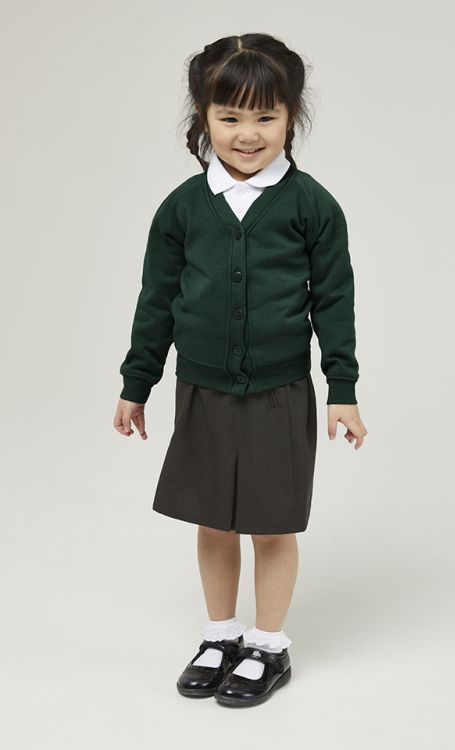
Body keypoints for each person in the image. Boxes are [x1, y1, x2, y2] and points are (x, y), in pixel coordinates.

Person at [113, 32, 368, 708]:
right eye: (229, 117)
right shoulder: (182, 207)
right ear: (203, 118)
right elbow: (156, 299)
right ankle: (220, 633)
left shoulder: (312, 206)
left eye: (265, 116)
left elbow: (334, 300)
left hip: (280, 391)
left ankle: (268, 644)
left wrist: (342, 389)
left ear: (291, 117)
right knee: (213, 520)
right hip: (201, 389)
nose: (247, 134)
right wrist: (137, 383)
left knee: (272, 523)